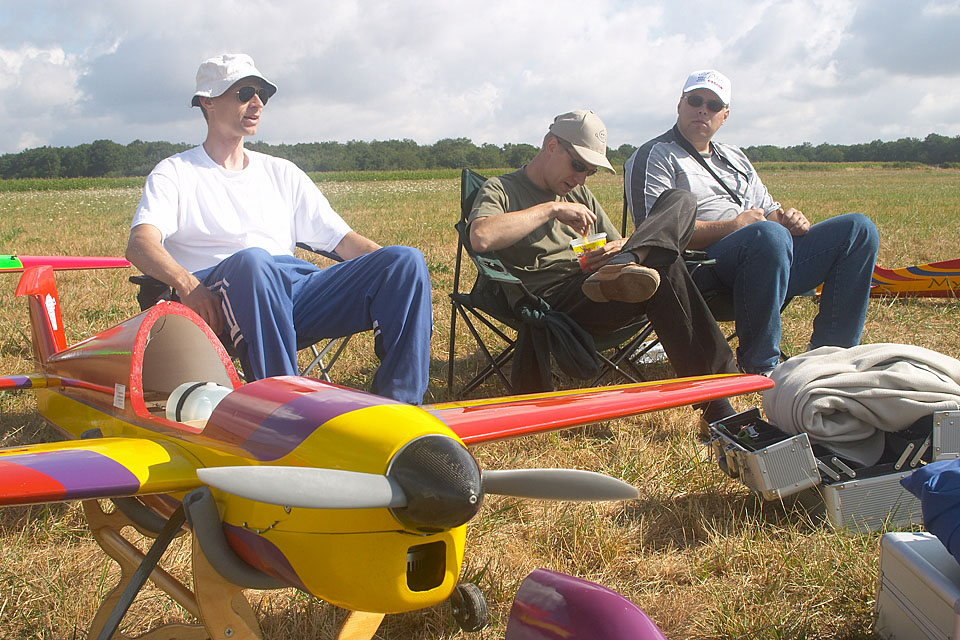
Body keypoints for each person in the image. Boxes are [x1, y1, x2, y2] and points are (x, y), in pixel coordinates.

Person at [126, 54, 432, 404]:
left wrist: (400, 280)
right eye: (244, 93)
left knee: (404, 261)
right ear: (208, 101)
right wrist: (187, 285)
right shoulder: (176, 172)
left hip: (293, 291)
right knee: (254, 263)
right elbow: (140, 244)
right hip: (216, 296)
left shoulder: (281, 172)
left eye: (263, 94)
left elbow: (344, 242)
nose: (257, 102)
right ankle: (285, 408)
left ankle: (401, 406)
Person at [468, 109, 740, 425]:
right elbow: (481, 236)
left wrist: (620, 248)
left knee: (680, 200)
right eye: (578, 165)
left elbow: (617, 238)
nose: (581, 179)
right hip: (553, 299)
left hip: (601, 285)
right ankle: (719, 404)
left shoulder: (579, 193)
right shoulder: (501, 189)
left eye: (590, 172)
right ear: (552, 146)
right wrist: (551, 209)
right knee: (666, 264)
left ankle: (629, 262)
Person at [625, 69, 879, 376]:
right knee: (767, 236)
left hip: (766, 258)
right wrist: (733, 227)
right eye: (695, 100)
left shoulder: (736, 157)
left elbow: (770, 213)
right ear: (680, 104)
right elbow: (654, 235)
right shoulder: (655, 155)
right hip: (699, 269)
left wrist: (790, 220)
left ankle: (831, 357)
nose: (703, 109)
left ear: (725, 115)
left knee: (858, 230)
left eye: (713, 105)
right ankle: (760, 367)